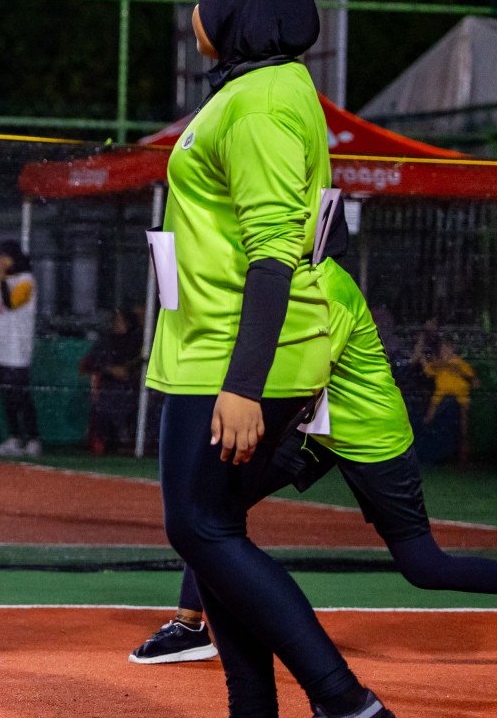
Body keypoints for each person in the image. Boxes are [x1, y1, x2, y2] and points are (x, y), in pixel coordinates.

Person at [146, 0, 391, 718]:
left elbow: (274, 253)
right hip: (208, 345)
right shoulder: (255, 92)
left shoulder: (259, 104)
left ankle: (345, 701)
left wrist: (244, 383)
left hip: (234, 353)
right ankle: (255, 705)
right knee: (207, 529)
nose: (194, 13)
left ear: (229, 13)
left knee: (202, 526)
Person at [131, 245, 497, 666]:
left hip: (370, 434)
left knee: (425, 567)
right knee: (213, 509)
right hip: (315, 431)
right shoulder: (282, 275)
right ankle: (188, 626)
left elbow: (301, 378)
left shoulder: (325, 290)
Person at [0, 240, 39, 457]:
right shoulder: (2, 281)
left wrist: (0, 279)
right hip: (0, 347)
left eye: (5, 257)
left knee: (21, 395)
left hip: (17, 347)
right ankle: (14, 438)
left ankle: (33, 439)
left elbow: (11, 303)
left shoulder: (26, 280)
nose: (1, 262)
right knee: (7, 395)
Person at [414, 325, 479, 464]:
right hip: (441, 395)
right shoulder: (439, 364)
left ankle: (463, 455)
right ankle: (426, 444)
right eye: (442, 349)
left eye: (446, 349)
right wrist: (421, 358)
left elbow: (475, 382)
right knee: (429, 416)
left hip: (461, 395)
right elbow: (428, 370)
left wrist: (462, 374)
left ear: (453, 349)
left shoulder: (461, 364)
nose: (444, 351)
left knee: (463, 424)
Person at [83, 307, 143, 455]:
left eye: (120, 321)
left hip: (133, 389)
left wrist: (130, 373)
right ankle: (107, 441)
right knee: (107, 405)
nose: (117, 324)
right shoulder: (106, 341)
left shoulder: (136, 341)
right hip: (109, 387)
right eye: (115, 321)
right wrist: (110, 370)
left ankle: (128, 441)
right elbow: (90, 363)